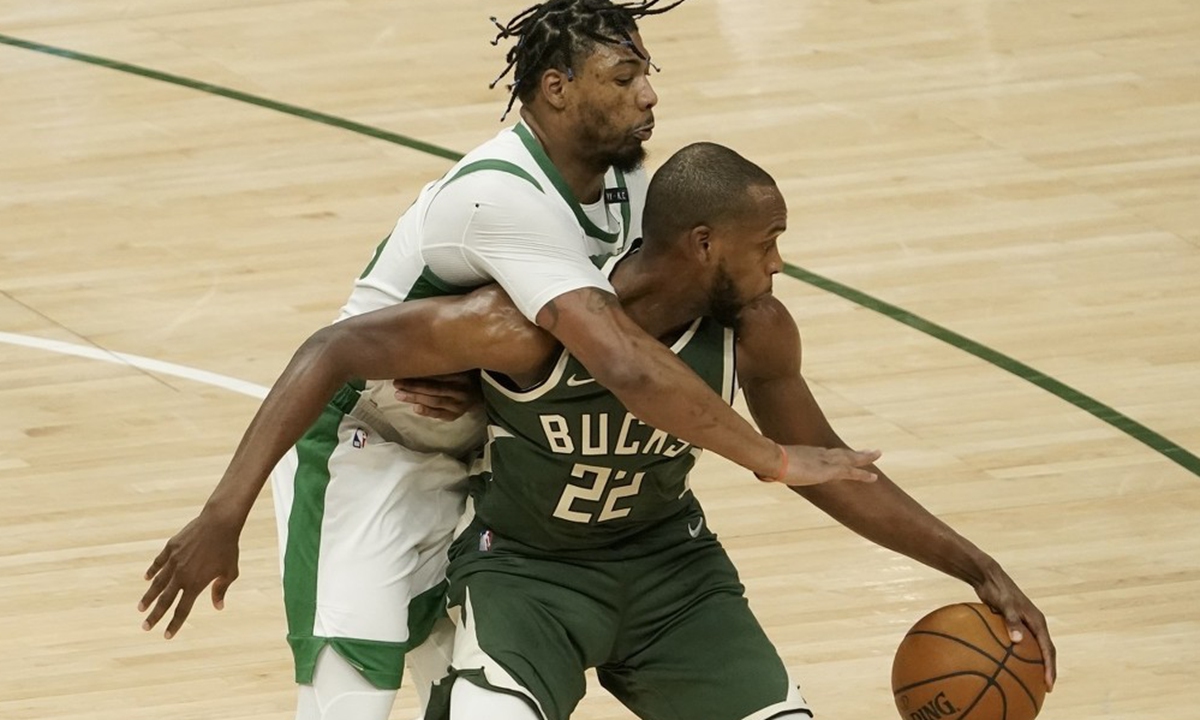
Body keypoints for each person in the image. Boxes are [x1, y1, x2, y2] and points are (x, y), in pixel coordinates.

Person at [137, 2, 879, 719]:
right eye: (623, 78)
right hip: (368, 445)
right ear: (556, 88)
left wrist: (488, 388)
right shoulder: (501, 195)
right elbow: (617, 362)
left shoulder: (633, 192)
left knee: (461, 700)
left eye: (647, 73)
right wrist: (221, 513)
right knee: (348, 702)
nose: (649, 94)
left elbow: (581, 346)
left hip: (487, 453)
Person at [187, 142, 1055, 720]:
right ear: (706, 243)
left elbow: (834, 471)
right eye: (770, 242)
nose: (779, 264)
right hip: (530, 578)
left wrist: (978, 567)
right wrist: (225, 512)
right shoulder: (527, 322)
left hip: (674, 581)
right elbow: (336, 346)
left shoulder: (758, 330)